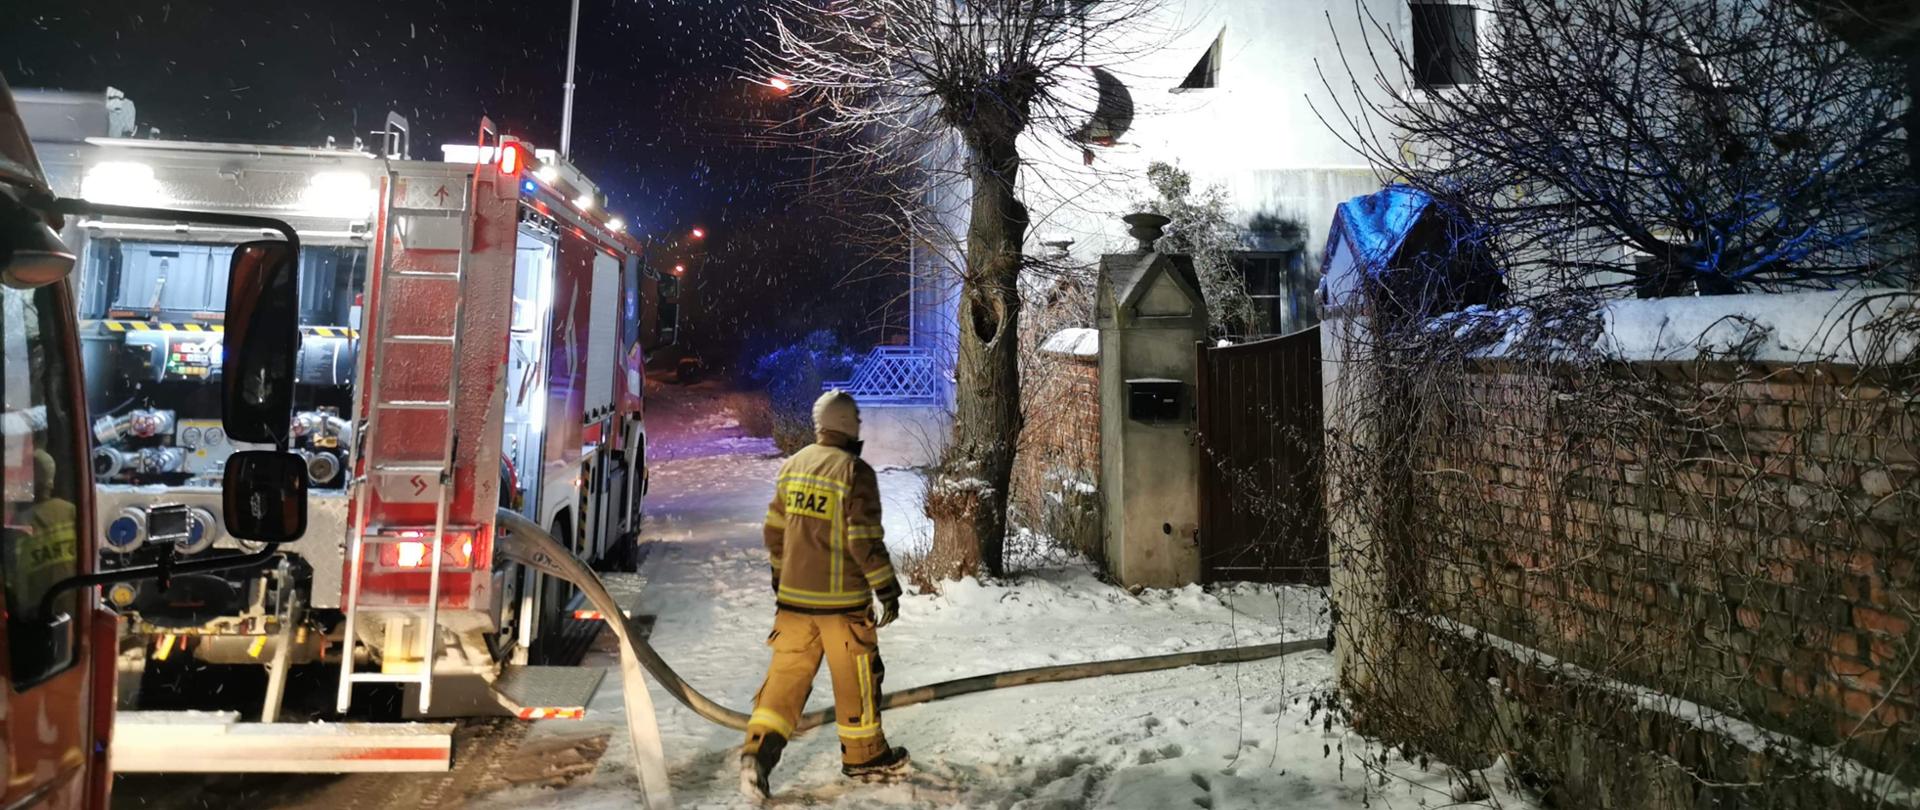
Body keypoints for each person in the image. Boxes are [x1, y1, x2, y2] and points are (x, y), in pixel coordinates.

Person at [740, 390, 908, 801]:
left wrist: (780, 578)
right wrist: (886, 587)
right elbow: (863, 539)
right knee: (857, 679)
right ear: (848, 424)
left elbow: (774, 532)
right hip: (841, 605)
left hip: (794, 603)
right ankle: (865, 756)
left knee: (784, 681)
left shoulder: (794, 465)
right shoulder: (854, 471)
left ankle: (756, 755)